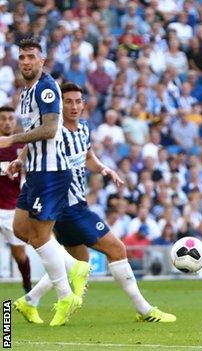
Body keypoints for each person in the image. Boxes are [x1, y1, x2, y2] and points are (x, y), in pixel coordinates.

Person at [12, 83, 175, 324]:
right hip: (68, 205)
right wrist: (19, 159)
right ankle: (144, 309)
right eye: (68, 101)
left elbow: (87, 157)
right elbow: (35, 143)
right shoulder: (55, 130)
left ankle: (30, 301)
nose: (74, 106)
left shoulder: (84, 129)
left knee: (77, 262)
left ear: (84, 104)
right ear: (59, 104)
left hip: (74, 202)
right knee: (117, 249)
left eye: (78, 101)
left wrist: (103, 168)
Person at [0, 38, 81, 326]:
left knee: (39, 236)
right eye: (22, 57)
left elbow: (48, 129)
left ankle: (65, 294)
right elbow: (34, 131)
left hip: (51, 172)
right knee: (21, 229)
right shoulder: (25, 92)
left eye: (31, 57)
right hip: (34, 171)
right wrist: (20, 156)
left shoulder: (47, 88)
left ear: (42, 60)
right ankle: (73, 267)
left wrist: (12, 139)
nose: (25, 62)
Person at [0, 106, 31, 294]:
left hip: (12, 211)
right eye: (3, 118)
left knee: (20, 256)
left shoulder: (21, 147)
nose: (7, 122)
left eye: (11, 118)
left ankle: (28, 290)